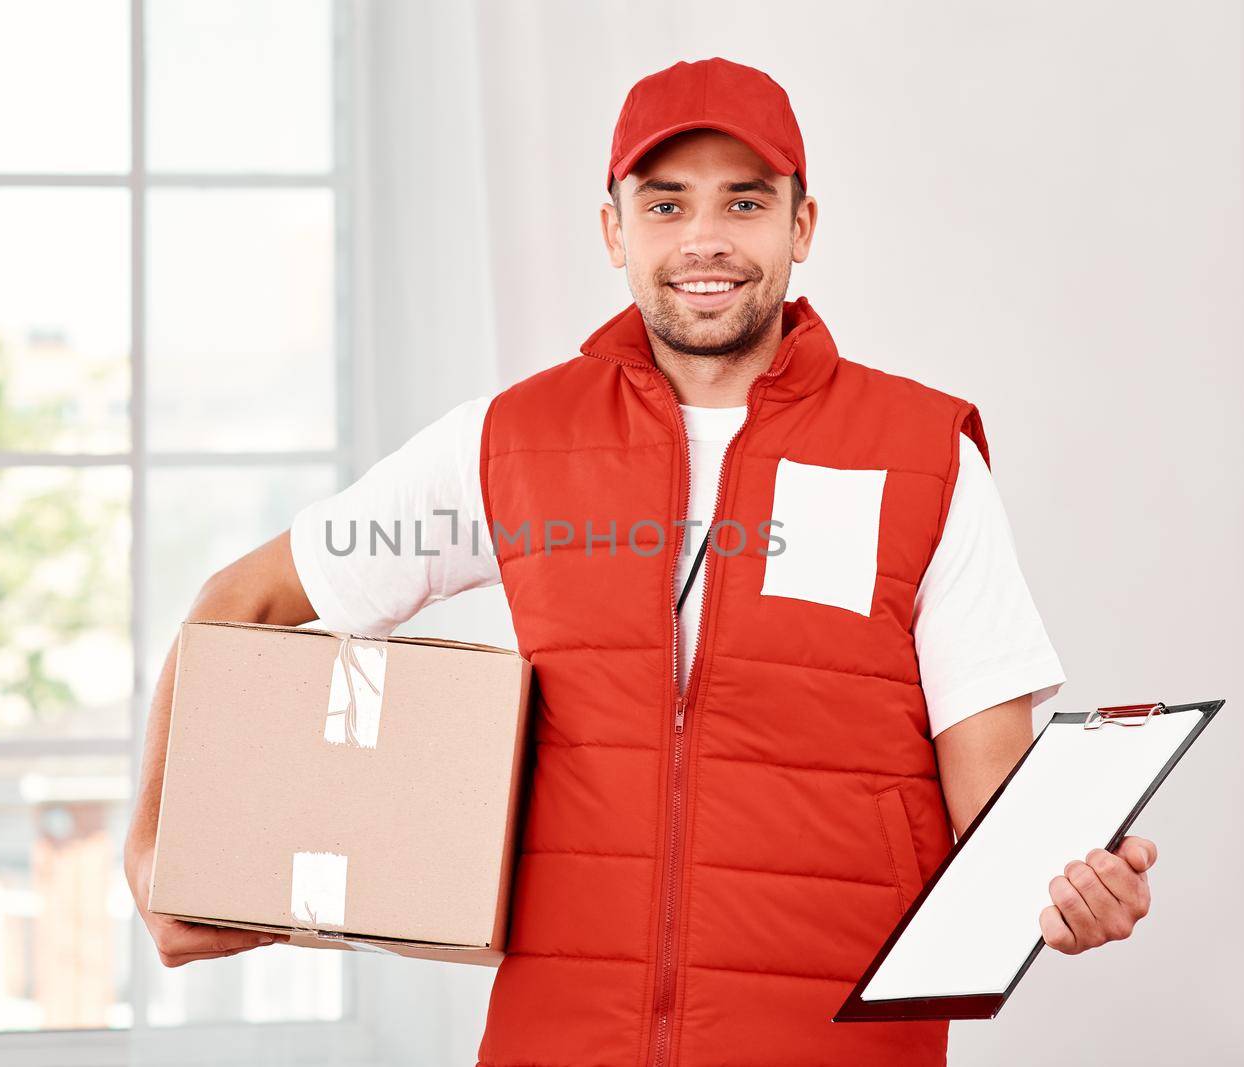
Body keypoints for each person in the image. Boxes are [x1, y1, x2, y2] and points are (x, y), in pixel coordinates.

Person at [124, 56, 1157, 1067]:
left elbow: (997, 815)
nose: (705, 238)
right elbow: (242, 601)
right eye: (664, 205)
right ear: (612, 227)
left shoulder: (922, 456)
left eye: (744, 202)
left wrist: (1067, 891)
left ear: (801, 224)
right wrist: (161, 850)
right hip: (561, 1037)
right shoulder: (508, 443)